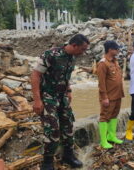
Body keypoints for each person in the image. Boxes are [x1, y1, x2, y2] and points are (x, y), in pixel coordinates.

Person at [31, 34, 89, 170]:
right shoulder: (51, 54)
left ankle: (68, 156)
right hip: (48, 96)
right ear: (74, 45)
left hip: (62, 97)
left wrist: (68, 90)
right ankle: (47, 162)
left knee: (68, 126)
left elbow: (66, 75)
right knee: (53, 130)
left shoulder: (73, 57)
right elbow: (35, 75)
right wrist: (37, 100)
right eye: (82, 49)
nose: (84, 52)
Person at [96, 41, 124, 149]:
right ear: (110, 50)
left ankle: (111, 136)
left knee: (114, 115)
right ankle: (103, 141)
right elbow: (101, 83)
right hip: (109, 97)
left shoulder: (114, 61)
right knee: (105, 117)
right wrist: (104, 97)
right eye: (116, 49)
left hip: (117, 95)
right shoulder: (103, 63)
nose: (118, 50)